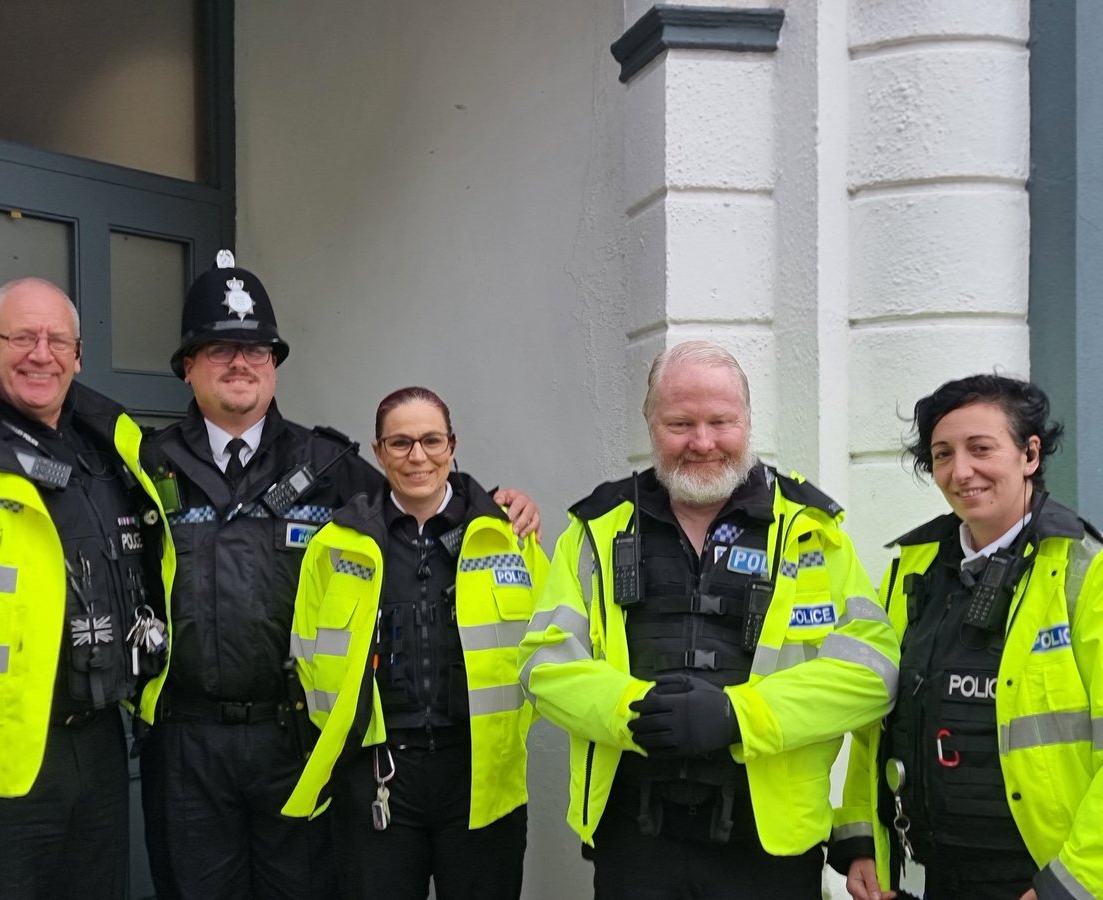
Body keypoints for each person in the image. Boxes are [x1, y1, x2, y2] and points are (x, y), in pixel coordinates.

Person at [136, 253, 540, 900]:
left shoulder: (330, 467)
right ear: (187, 366)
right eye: (219, 349)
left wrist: (499, 506)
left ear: (275, 365)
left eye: (258, 351)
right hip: (189, 740)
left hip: (300, 737)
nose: (241, 363)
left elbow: (418, 508)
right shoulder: (143, 466)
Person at [519, 340, 900, 900]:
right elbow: (543, 662)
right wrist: (636, 712)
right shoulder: (596, 530)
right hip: (634, 837)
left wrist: (737, 715)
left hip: (769, 844)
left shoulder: (811, 532)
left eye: (721, 421)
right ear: (650, 425)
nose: (702, 442)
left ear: (748, 421)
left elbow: (873, 673)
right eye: (680, 423)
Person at [0, 278, 174, 900]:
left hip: (103, 747)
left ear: (78, 356)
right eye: (21, 336)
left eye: (57, 340)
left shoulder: (114, 455)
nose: (40, 354)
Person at [831, 375, 1103, 900]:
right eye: (941, 454)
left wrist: (1068, 887)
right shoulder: (910, 573)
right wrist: (861, 838)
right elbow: (874, 724)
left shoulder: (1084, 575)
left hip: (1037, 882)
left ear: (1029, 453)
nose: (961, 472)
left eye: (981, 449)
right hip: (920, 877)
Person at [280, 386, 547, 900]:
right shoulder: (335, 545)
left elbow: (548, 650)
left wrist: (504, 733)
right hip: (377, 777)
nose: (417, 456)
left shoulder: (508, 536)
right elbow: (308, 657)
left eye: (431, 440)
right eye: (400, 443)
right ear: (378, 452)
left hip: (480, 777)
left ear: (452, 445)